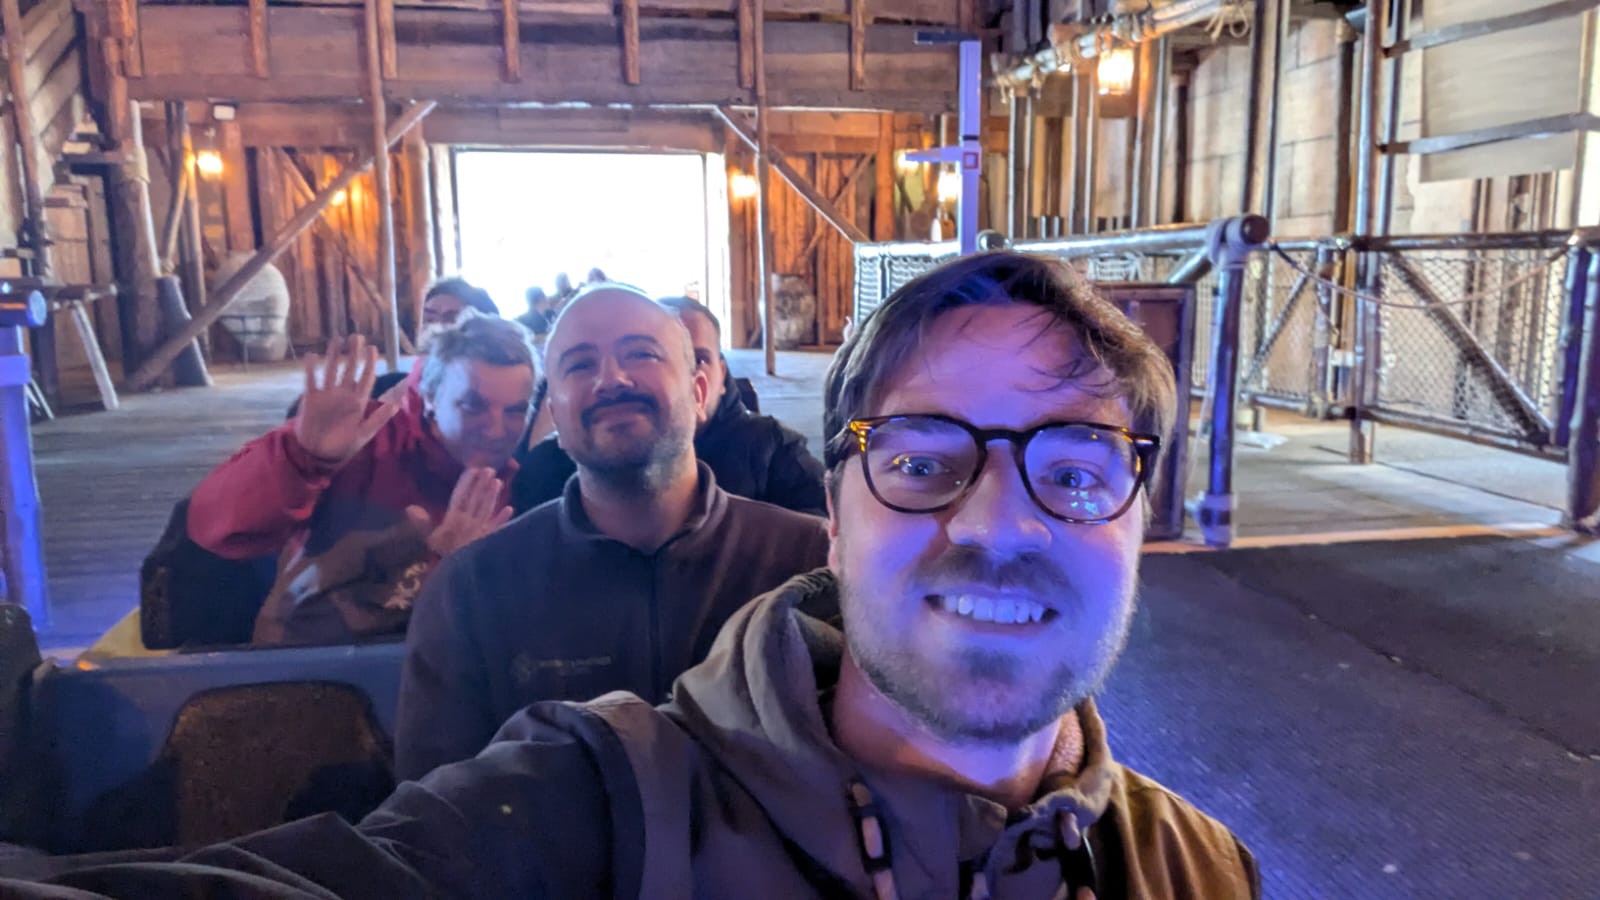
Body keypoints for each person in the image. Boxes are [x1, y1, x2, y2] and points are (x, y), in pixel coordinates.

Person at [3, 253, 1255, 898]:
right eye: (924, 462)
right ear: (835, 514)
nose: (998, 522)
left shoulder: (1200, 870)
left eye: (1076, 470)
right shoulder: (589, 803)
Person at [394, 284, 830, 779]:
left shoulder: (805, 561)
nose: (611, 379)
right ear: (555, 417)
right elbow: (437, 801)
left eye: (641, 354)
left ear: (699, 392)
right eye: (580, 365)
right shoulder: (473, 591)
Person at [188, 314, 537, 646]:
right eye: (472, 406)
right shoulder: (363, 439)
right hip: (309, 666)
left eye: (515, 411)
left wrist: (453, 566)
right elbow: (212, 528)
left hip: (429, 668)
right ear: (430, 397)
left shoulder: (524, 485)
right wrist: (302, 458)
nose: (496, 430)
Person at [512, 296, 827, 515]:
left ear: (714, 378)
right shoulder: (553, 466)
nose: (611, 380)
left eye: (698, 358)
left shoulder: (770, 448)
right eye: (582, 364)